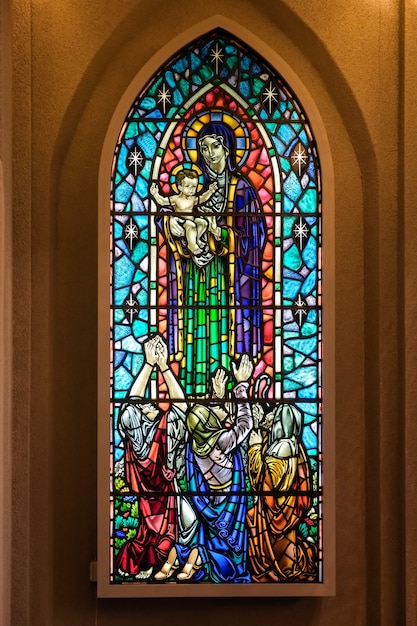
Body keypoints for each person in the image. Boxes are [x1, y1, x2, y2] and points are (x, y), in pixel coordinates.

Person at [155, 121, 266, 396]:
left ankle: (230, 395)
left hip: (228, 281)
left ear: (228, 149)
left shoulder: (242, 189)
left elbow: (255, 236)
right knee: (197, 333)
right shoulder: (193, 184)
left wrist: (222, 234)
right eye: (203, 148)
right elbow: (167, 213)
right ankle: (193, 394)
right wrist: (172, 227)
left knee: (224, 336)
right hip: (195, 280)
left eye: (215, 145)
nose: (209, 153)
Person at [154, 355, 254, 583]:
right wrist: (240, 386)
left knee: (210, 536)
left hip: (209, 500)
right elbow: (245, 423)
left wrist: (217, 396)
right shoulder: (223, 441)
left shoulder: (194, 447)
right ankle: (200, 560)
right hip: (229, 500)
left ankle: (180, 559)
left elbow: (205, 422)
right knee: (226, 544)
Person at [115, 335, 188, 580]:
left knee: (148, 534)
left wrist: (148, 365)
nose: (149, 404)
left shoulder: (136, 444)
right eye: (146, 405)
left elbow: (129, 405)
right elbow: (182, 407)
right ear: (145, 414)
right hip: (167, 507)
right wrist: (163, 367)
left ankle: (148, 562)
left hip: (148, 506)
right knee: (167, 534)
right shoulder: (165, 431)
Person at [246, 403, 317, 582]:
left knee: (251, 517)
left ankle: (271, 566)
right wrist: (261, 431)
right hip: (288, 509)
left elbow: (262, 480)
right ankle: (288, 564)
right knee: (287, 545)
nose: (273, 425)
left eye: (276, 420)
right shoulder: (297, 447)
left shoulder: (282, 447)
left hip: (274, 511)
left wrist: (254, 448)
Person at [150, 169, 219, 255]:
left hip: (192, 220)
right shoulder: (176, 199)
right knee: (191, 225)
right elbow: (163, 202)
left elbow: (203, 198)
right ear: (179, 187)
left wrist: (210, 191)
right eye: (187, 186)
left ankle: (196, 239)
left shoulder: (193, 199)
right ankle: (192, 246)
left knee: (203, 223)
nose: (191, 189)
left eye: (194, 186)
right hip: (181, 222)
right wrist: (155, 195)